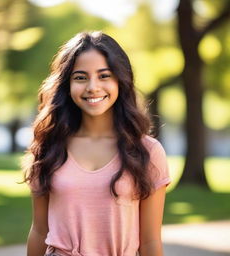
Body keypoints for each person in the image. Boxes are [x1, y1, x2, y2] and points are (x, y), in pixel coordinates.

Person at [23, 31, 171, 256]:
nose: (93, 87)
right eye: (81, 77)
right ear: (67, 84)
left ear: (121, 80)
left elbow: (150, 242)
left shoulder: (148, 152)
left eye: (104, 76)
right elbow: (39, 230)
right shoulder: (47, 148)